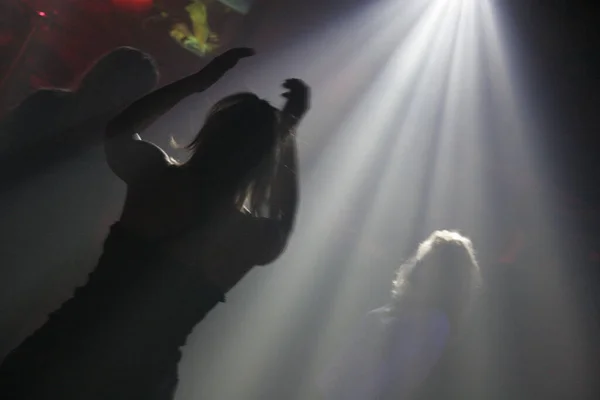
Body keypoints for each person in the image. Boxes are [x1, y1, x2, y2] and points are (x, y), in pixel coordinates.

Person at [0, 47, 309, 400]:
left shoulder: (155, 179)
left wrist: (198, 82)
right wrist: (288, 133)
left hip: (60, 354)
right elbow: (284, 222)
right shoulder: (250, 236)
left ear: (209, 135)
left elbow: (120, 129)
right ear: (262, 163)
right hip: (139, 383)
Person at [319, 230, 481, 400]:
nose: (419, 267)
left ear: (447, 279)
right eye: (422, 260)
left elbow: (388, 381)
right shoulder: (390, 312)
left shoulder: (434, 324)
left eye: (429, 264)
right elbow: (336, 373)